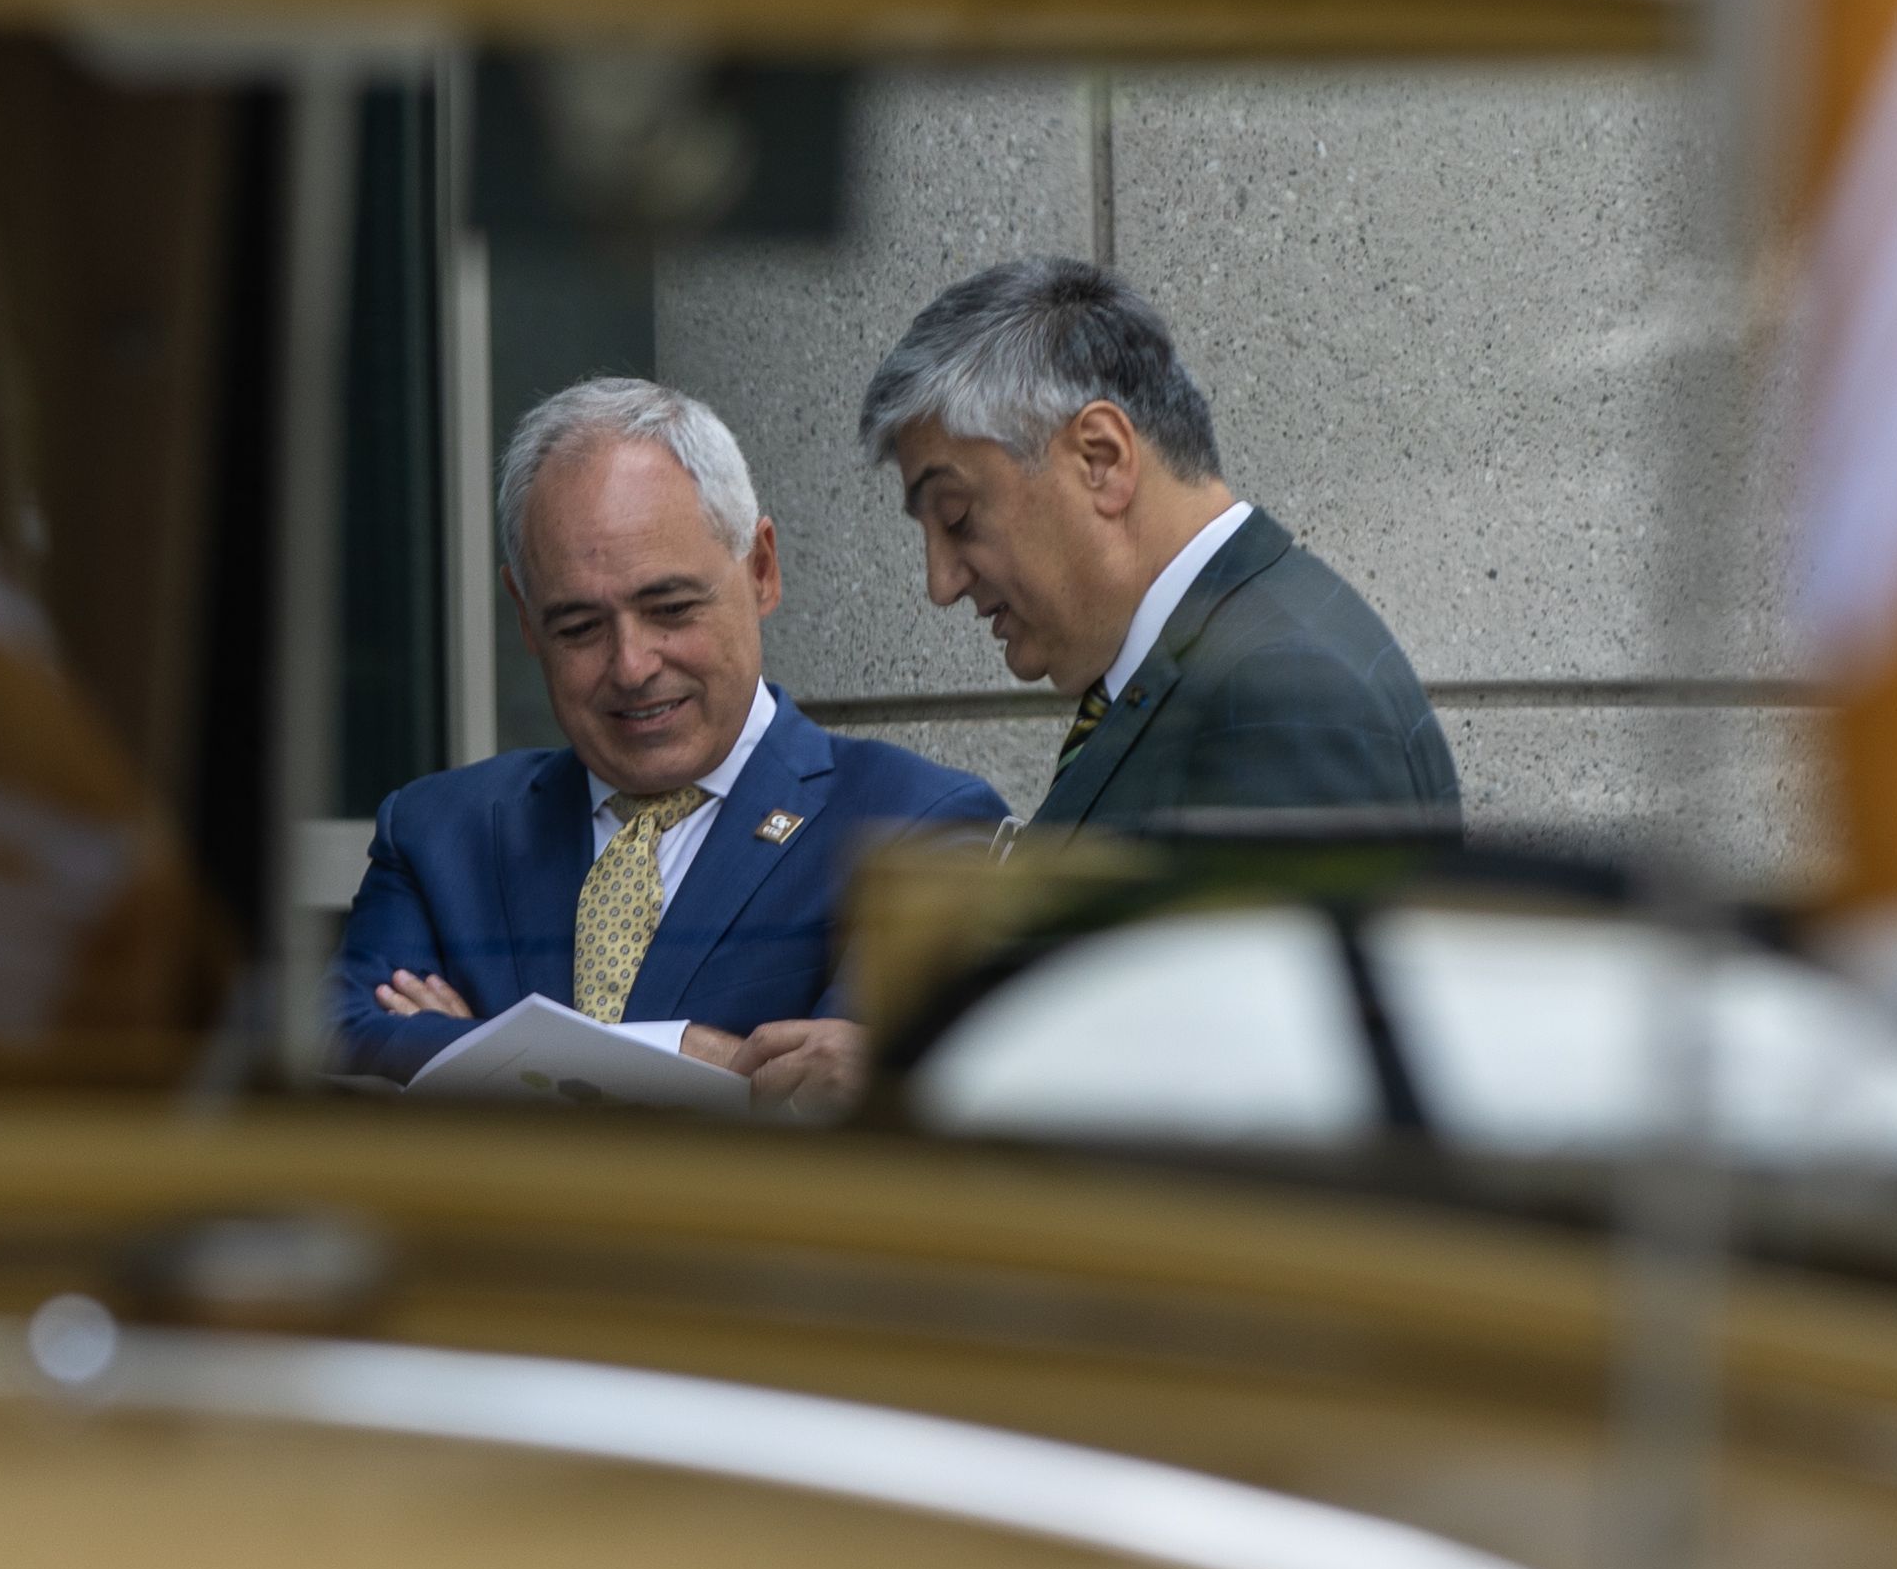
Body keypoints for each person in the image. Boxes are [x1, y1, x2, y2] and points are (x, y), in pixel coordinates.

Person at [337, 378, 1007, 1113]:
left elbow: (834, 1103)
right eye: (579, 628)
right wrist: (691, 1057)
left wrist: (482, 1058)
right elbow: (338, 1042)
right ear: (525, 620)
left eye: (670, 609)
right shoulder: (438, 833)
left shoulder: (917, 827)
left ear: (761, 570)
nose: (632, 665)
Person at [864, 256, 1459, 835]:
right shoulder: (1235, 665)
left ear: (1102, 459)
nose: (940, 583)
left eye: (957, 514)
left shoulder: (1282, 694)